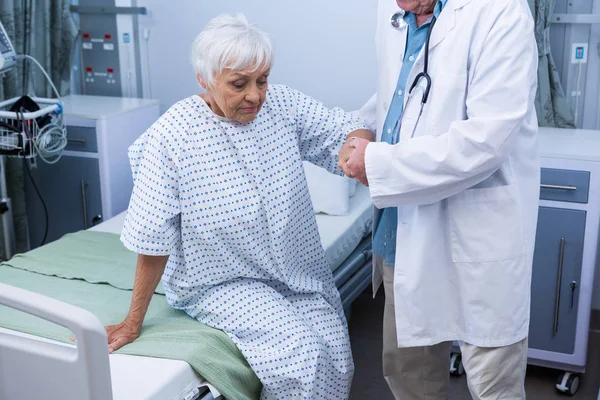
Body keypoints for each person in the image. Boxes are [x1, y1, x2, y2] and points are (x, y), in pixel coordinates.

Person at [106, 13, 372, 400]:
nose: (255, 95)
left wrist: (358, 149)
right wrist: (133, 322)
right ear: (204, 79)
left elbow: (349, 128)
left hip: (298, 275)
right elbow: (153, 237)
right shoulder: (172, 137)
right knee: (300, 358)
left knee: (336, 355)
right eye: (238, 84)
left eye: (262, 80)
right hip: (221, 282)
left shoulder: (282, 105)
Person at [340, 0, 539, 399]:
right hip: (403, 233)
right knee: (409, 376)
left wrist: (378, 163)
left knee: (493, 384)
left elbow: (486, 141)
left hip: (476, 236)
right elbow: (401, 90)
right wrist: (365, 125)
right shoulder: (394, 9)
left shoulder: (501, 12)